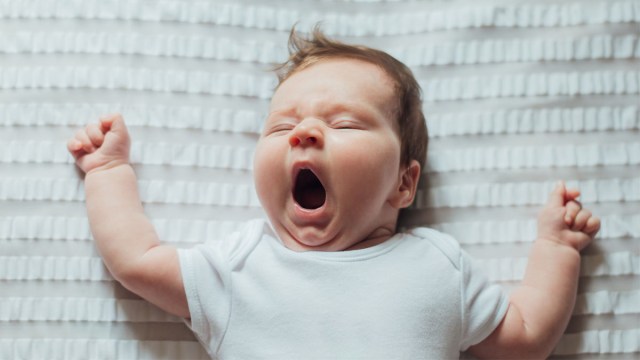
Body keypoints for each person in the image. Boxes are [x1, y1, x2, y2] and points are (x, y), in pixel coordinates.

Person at [67, 28, 600, 359]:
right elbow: (137, 260)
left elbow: (525, 339)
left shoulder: (438, 267)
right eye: (281, 127)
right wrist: (109, 171)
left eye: (345, 124)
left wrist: (556, 251)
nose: (305, 132)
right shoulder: (240, 269)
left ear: (403, 183)